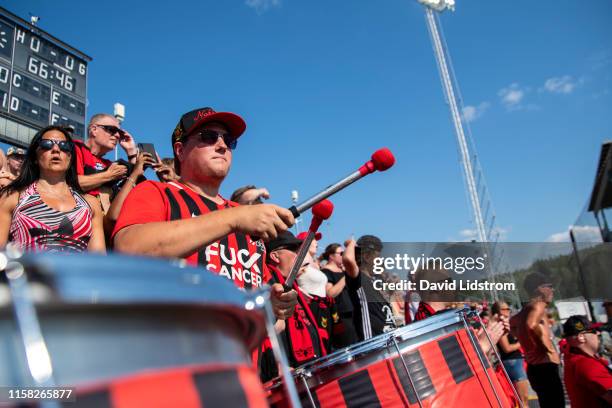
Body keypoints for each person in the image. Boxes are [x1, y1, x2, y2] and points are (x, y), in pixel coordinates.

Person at [112, 106, 297, 317]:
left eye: (229, 141)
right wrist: (233, 218)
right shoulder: (156, 192)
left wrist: (272, 308)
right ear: (180, 151)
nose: (222, 146)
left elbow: (261, 313)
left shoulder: (246, 219)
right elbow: (129, 249)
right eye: (209, 137)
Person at [0, 126, 105, 253]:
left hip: (77, 273)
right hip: (29, 272)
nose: (56, 149)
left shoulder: (91, 204)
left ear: (70, 157)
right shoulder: (13, 196)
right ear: (34, 157)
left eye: (64, 146)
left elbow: (98, 261)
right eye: (46, 144)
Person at [258, 230, 328, 382]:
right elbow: (269, 328)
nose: (299, 255)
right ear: (275, 256)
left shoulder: (291, 282)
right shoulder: (268, 281)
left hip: (308, 368)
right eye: (294, 250)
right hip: (288, 375)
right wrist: (279, 362)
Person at [510, 272, 565, 408]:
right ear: (539, 288)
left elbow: (512, 324)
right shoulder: (539, 305)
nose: (552, 290)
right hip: (546, 366)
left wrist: (528, 343)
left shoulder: (523, 311)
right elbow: (531, 324)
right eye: (550, 286)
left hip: (535, 368)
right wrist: (545, 346)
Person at [74, 113, 139, 211]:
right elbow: (71, 184)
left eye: (119, 133)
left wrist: (131, 153)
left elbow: (128, 193)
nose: (117, 135)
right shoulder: (74, 149)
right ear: (94, 130)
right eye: (112, 130)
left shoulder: (109, 164)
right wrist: (109, 175)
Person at [343, 235, 396, 341]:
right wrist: (351, 243)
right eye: (378, 257)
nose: (380, 261)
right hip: (372, 346)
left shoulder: (374, 281)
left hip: (387, 342)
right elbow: (348, 259)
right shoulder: (359, 278)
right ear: (367, 257)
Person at [562, 315, 612, 408]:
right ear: (581, 337)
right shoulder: (587, 365)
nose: (598, 333)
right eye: (594, 331)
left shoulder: (573, 358)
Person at [321, 241, 360, 348]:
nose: (343, 255)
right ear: (331, 256)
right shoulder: (326, 272)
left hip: (352, 313)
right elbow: (330, 293)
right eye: (340, 253)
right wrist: (345, 276)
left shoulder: (342, 270)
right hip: (341, 316)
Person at [492, 301, 530, 407]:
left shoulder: (506, 324)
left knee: (523, 399)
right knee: (523, 399)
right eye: (504, 309)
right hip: (512, 362)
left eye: (508, 309)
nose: (507, 311)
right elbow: (507, 348)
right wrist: (522, 342)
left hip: (515, 362)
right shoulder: (500, 325)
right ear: (497, 312)